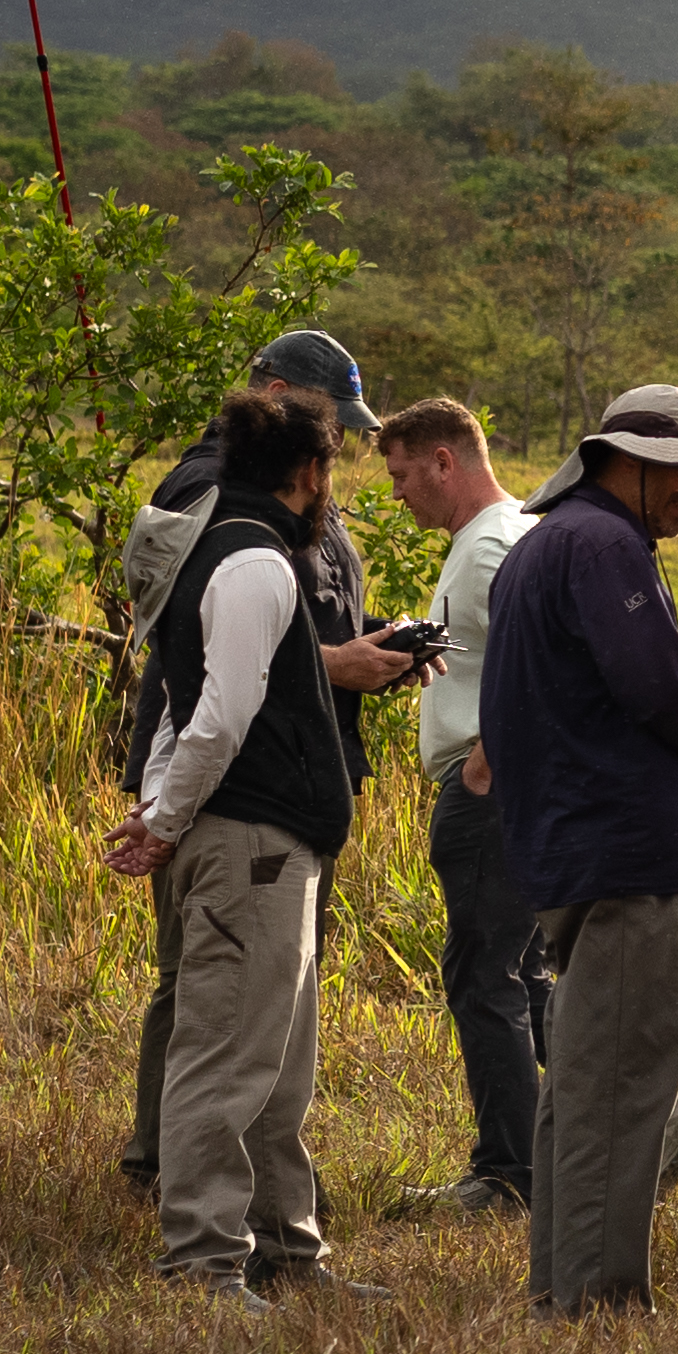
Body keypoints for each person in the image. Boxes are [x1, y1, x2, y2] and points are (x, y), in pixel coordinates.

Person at [486, 379, 678, 1314]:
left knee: (582, 1092)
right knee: (623, 1098)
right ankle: (599, 1304)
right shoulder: (606, 545)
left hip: (574, 851)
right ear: (633, 464)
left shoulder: (547, 544)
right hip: (629, 859)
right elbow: (659, 689)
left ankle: (558, 1291)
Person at [113, 329, 414, 1200]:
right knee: (217, 993)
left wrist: (372, 651)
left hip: (284, 775)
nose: (336, 455)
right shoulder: (216, 493)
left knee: (262, 1001)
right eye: (324, 426)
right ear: (275, 392)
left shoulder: (281, 500)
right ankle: (179, 1177)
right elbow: (214, 660)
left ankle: (265, 1214)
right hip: (231, 783)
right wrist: (339, 665)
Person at [100, 387, 360, 1300]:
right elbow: (219, 717)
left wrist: (161, 811)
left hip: (257, 841)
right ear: (308, 473)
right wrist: (167, 821)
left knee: (280, 1062)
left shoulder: (216, 546)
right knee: (226, 1056)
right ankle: (203, 1259)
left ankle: (288, 1247)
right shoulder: (255, 561)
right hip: (249, 842)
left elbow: (178, 703)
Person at [380, 401, 539, 1217]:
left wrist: (485, 760)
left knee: (485, 975)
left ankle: (510, 1174)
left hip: (490, 793)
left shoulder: (486, 552)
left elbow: (542, 666)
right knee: (525, 973)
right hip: (508, 789)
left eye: (403, 475)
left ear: (445, 461)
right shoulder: (500, 536)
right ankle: (626, 1129)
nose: (399, 495)